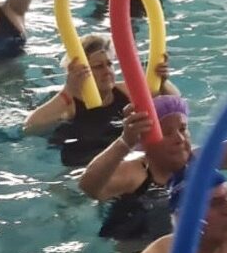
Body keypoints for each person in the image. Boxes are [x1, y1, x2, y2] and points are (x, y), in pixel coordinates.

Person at [78, 95, 227, 243]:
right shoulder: (137, 173)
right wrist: (125, 141)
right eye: (167, 132)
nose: (180, 139)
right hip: (138, 248)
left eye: (182, 129)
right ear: (146, 142)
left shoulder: (197, 160)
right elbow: (89, 186)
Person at [22, 34, 180, 167]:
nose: (107, 71)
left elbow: (175, 104)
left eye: (109, 64)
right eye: (98, 66)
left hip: (124, 160)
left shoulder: (124, 91)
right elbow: (30, 128)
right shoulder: (70, 103)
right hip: (82, 164)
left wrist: (163, 81)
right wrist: (68, 90)